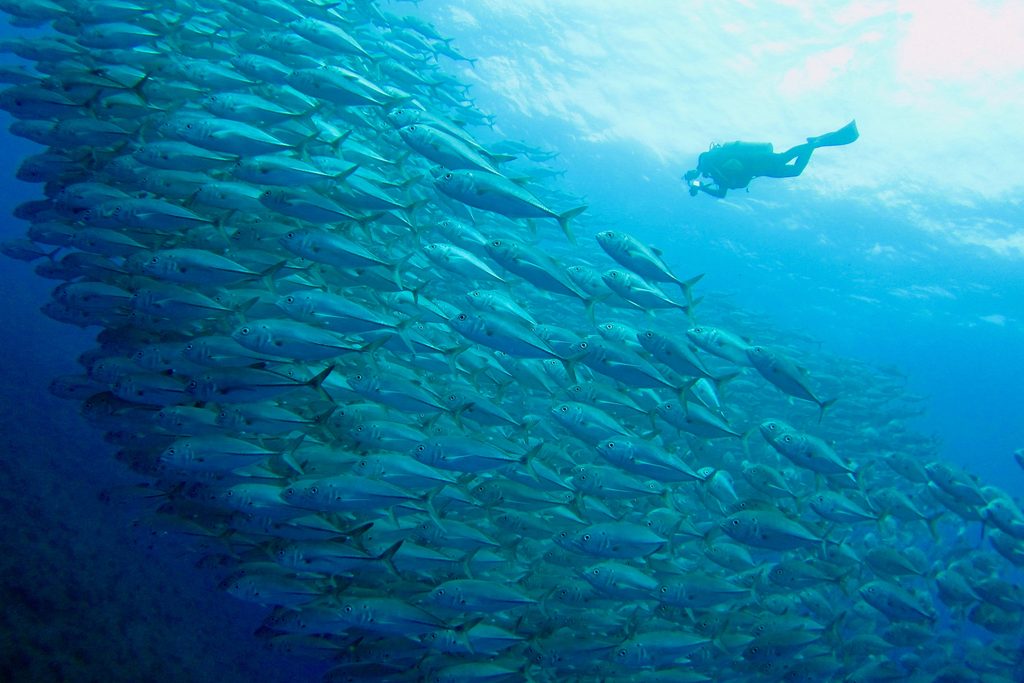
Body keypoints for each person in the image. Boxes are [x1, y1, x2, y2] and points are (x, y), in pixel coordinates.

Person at [683, 120, 859, 198]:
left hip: (758, 162)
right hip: (760, 169)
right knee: (794, 170)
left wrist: (698, 181)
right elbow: (722, 194)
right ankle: (813, 144)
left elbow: (708, 167)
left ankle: (813, 144)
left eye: (694, 175)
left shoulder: (709, 163)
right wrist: (703, 188)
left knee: (785, 159)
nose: (698, 176)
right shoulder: (717, 175)